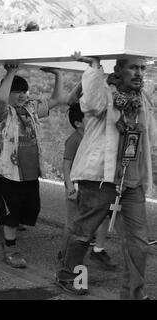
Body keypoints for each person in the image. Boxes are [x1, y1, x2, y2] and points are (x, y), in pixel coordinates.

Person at [55, 52, 157, 300]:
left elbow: (150, 135)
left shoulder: (142, 99)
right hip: (99, 177)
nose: (139, 73)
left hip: (131, 180)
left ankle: (134, 294)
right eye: (133, 68)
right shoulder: (104, 94)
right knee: (83, 233)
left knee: (138, 242)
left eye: (142, 69)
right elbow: (90, 103)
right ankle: (69, 276)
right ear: (119, 69)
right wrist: (93, 67)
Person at [0, 65, 67, 268]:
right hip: (9, 172)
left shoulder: (31, 109)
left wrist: (58, 73)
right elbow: (1, 99)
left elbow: (57, 99)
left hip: (30, 171)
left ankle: (8, 228)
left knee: (31, 210)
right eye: (16, 92)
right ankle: (10, 248)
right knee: (10, 214)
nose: (21, 96)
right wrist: (9, 73)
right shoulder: (3, 113)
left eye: (23, 92)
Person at [58, 100, 118, 272]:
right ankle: (65, 255)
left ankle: (96, 250)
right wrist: (70, 187)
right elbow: (66, 164)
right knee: (72, 225)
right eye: (88, 117)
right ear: (78, 123)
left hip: (94, 188)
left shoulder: (95, 138)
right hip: (76, 188)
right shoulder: (74, 139)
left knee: (101, 218)